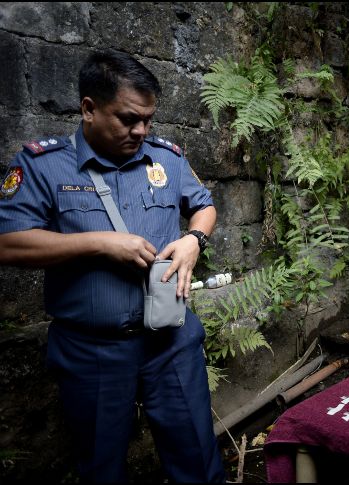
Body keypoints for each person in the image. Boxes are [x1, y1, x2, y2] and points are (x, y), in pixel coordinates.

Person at [0, 50, 224, 482]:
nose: (140, 130)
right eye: (127, 119)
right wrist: (99, 244)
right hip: (92, 351)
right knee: (102, 469)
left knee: (197, 457)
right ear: (89, 108)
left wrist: (193, 240)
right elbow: (8, 242)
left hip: (170, 343)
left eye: (148, 120)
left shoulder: (167, 158)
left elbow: (204, 206)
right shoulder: (43, 165)